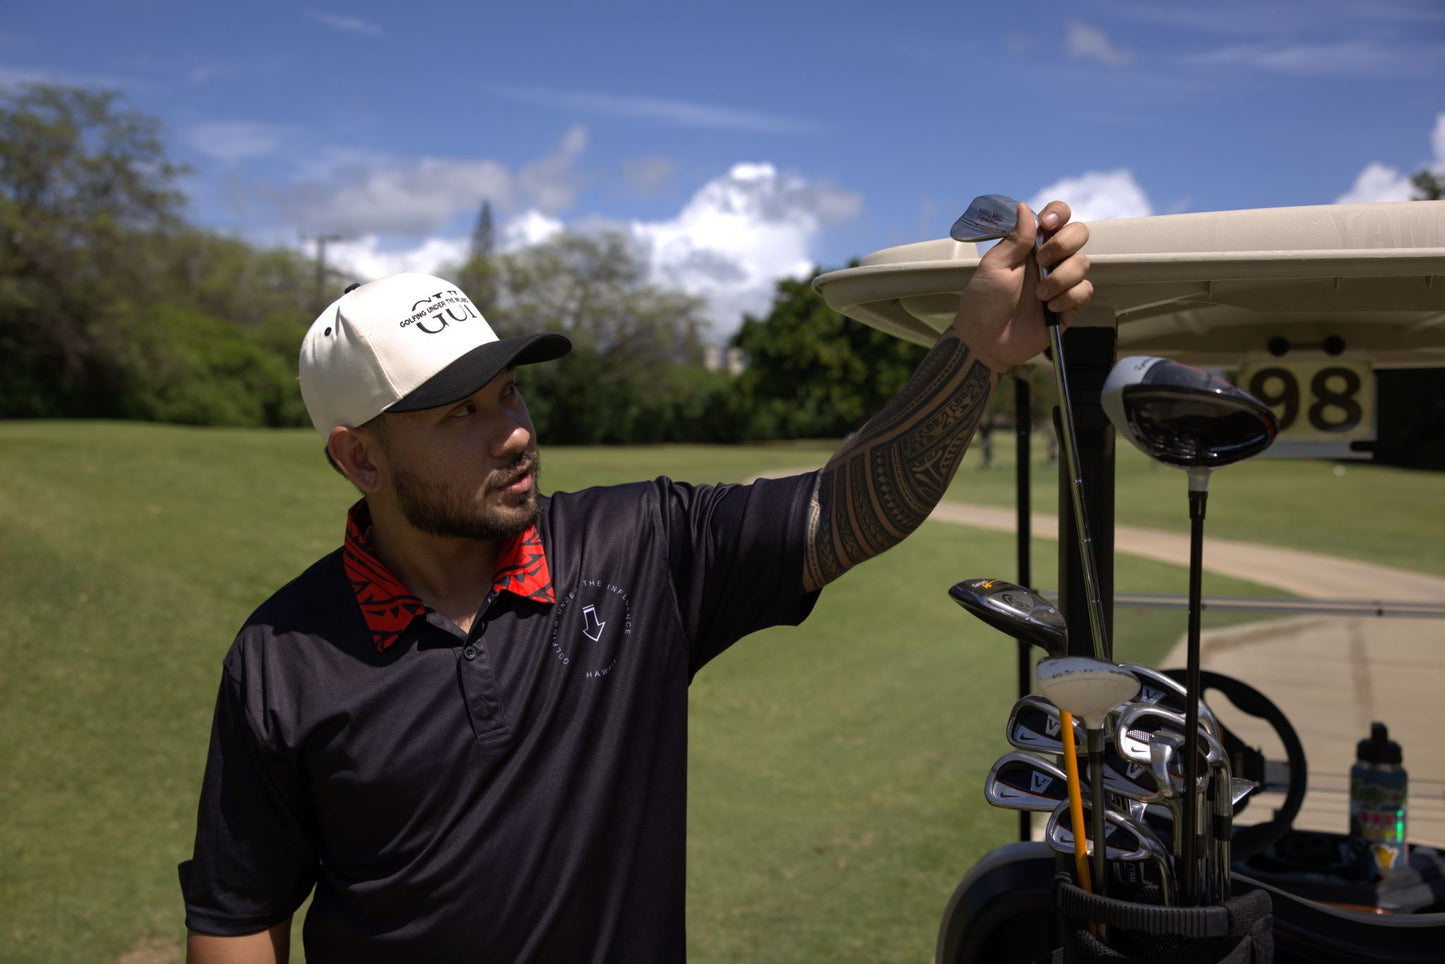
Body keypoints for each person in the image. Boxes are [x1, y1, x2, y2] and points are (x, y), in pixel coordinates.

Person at [180, 201, 1092, 963]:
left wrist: (972, 350)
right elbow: (237, 915)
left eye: (509, 394)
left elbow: (848, 510)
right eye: (461, 413)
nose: (513, 432)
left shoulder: (637, 544)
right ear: (359, 458)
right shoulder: (282, 658)